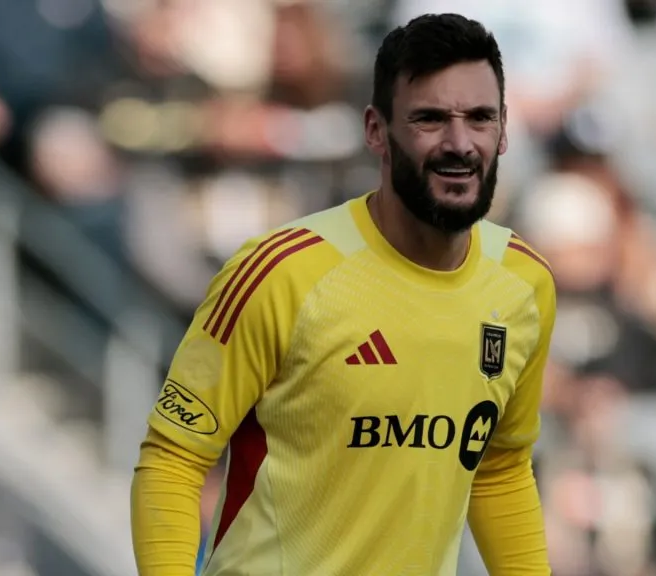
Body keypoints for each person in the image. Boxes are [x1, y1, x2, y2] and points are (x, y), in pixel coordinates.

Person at [130, 13, 556, 576]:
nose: (459, 143)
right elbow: (174, 459)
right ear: (376, 131)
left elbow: (500, 468)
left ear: (503, 131)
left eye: (480, 118)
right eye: (429, 118)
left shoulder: (524, 283)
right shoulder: (280, 273)